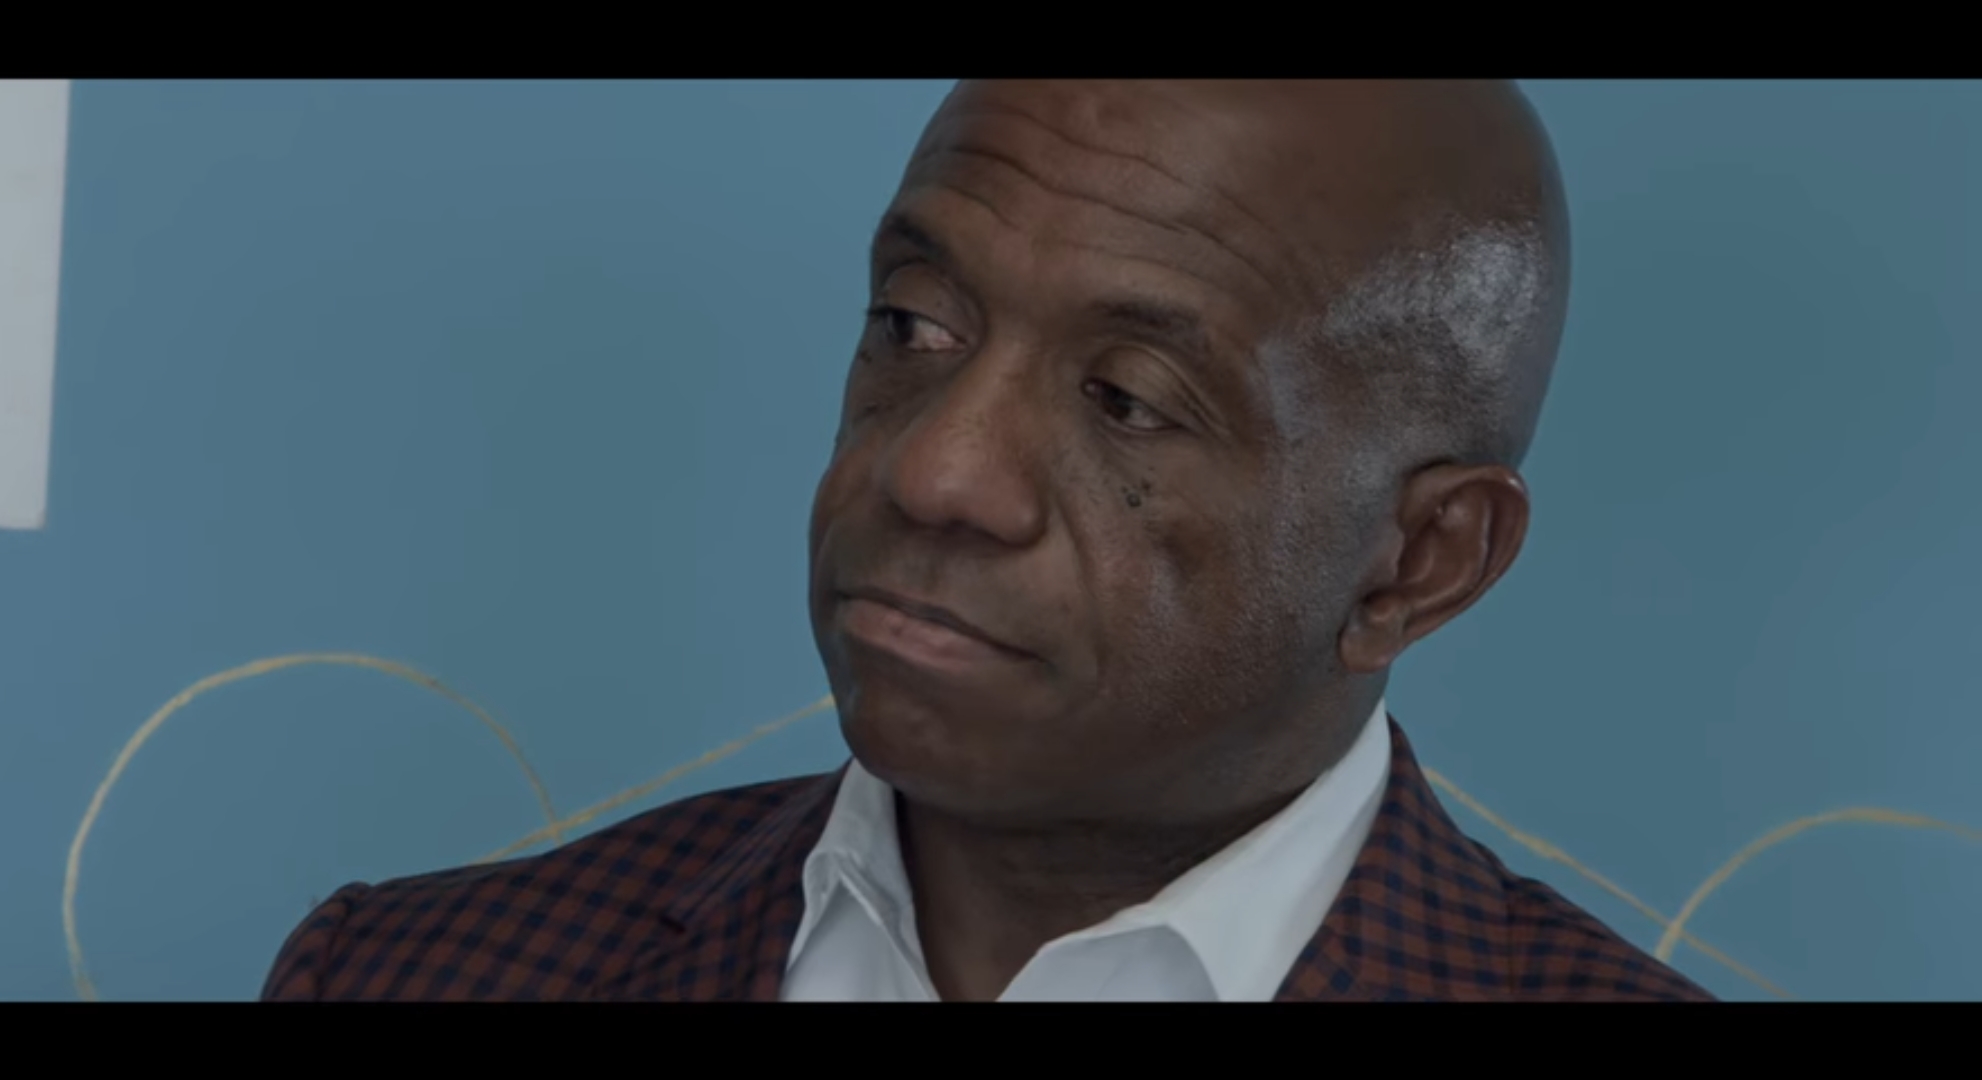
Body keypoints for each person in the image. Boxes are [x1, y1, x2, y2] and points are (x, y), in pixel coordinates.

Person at [261, 79, 1716, 1002]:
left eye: (1127, 399)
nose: (936, 470)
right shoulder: (404, 975)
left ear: (1418, 562)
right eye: (913, 325)